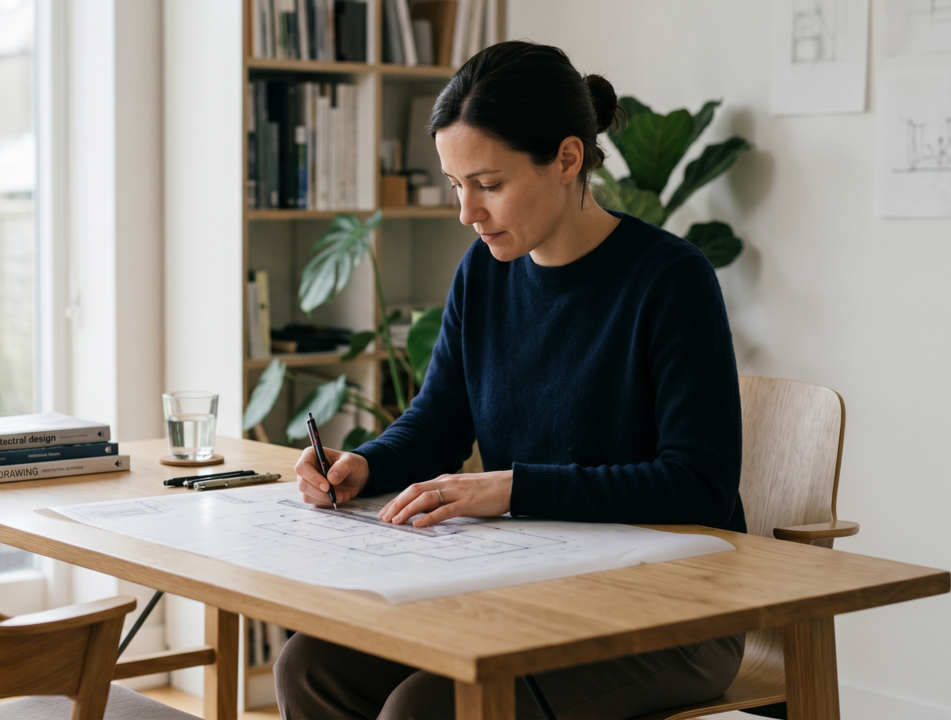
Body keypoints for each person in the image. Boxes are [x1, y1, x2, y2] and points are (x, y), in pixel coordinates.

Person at [274, 41, 746, 720]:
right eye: (455, 184)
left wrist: (511, 489)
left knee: (429, 710)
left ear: (567, 159)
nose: (467, 211)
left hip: (674, 609)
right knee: (311, 668)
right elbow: (440, 420)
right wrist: (364, 464)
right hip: (529, 585)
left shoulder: (670, 279)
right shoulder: (484, 272)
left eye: (488, 185)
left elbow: (700, 484)